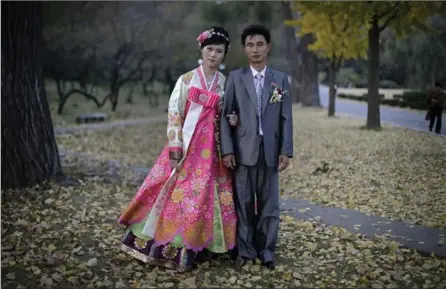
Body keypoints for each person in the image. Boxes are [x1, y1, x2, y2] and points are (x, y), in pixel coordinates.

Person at [118, 27, 238, 272]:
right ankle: (168, 244)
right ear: (201, 50)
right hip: (187, 147)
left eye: (219, 51)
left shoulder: (226, 83)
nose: (213, 55)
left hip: (213, 152)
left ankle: (202, 245)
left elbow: (228, 116)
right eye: (209, 49)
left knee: (204, 198)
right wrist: (175, 148)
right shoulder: (186, 80)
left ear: (225, 55)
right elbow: (174, 113)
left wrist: (233, 121)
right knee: (179, 195)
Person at [220, 24, 294, 270]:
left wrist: (286, 150)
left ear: (268, 47)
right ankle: (246, 250)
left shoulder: (280, 80)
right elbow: (226, 115)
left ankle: (267, 250)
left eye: (260, 44)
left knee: (269, 205)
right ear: (244, 49)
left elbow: (286, 118)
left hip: (271, 151)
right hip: (243, 151)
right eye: (250, 45)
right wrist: (228, 150)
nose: (255, 50)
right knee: (243, 203)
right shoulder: (236, 78)